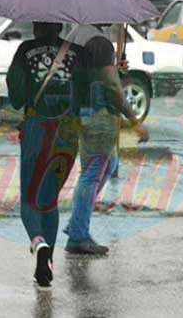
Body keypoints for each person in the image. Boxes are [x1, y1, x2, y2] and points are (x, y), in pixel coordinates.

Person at [7, 22, 82, 289]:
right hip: (68, 133)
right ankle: (48, 262)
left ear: (36, 25)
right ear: (61, 24)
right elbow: (90, 95)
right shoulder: (78, 52)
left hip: (37, 129)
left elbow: (15, 97)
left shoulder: (24, 50)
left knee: (30, 200)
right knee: (49, 200)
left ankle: (39, 243)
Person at [64, 24, 148, 256]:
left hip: (82, 110)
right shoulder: (99, 43)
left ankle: (76, 222)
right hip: (99, 115)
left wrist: (112, 68)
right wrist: (134, 120)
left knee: (108, 165)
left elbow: (95, 74)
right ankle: (78, 235)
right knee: (91, 174)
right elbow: (110, 85)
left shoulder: (76, 35)